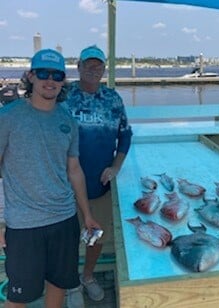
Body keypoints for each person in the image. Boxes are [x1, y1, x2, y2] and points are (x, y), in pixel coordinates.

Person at [0, 49, 100, 308]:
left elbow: (74, 169)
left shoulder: (67, 120)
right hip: (23, 225)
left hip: (65, 220)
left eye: (57, 75)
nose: (50, 80)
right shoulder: (8, 117)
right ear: (31, 76)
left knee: (59, 285)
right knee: (19, 296)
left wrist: (86, 214)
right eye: (43, 73)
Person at [65, 45, 132, 307]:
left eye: (98, 65)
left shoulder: (113, 99)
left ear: (104, 69)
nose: (93, 70)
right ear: (78, 66)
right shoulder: (63, 95)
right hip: (65, 185)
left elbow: (125, 135)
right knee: (67, 238)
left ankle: (88, 276)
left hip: (100, 185)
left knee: (97, 236)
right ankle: (69, 282)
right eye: (88, 65)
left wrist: (116, 167)